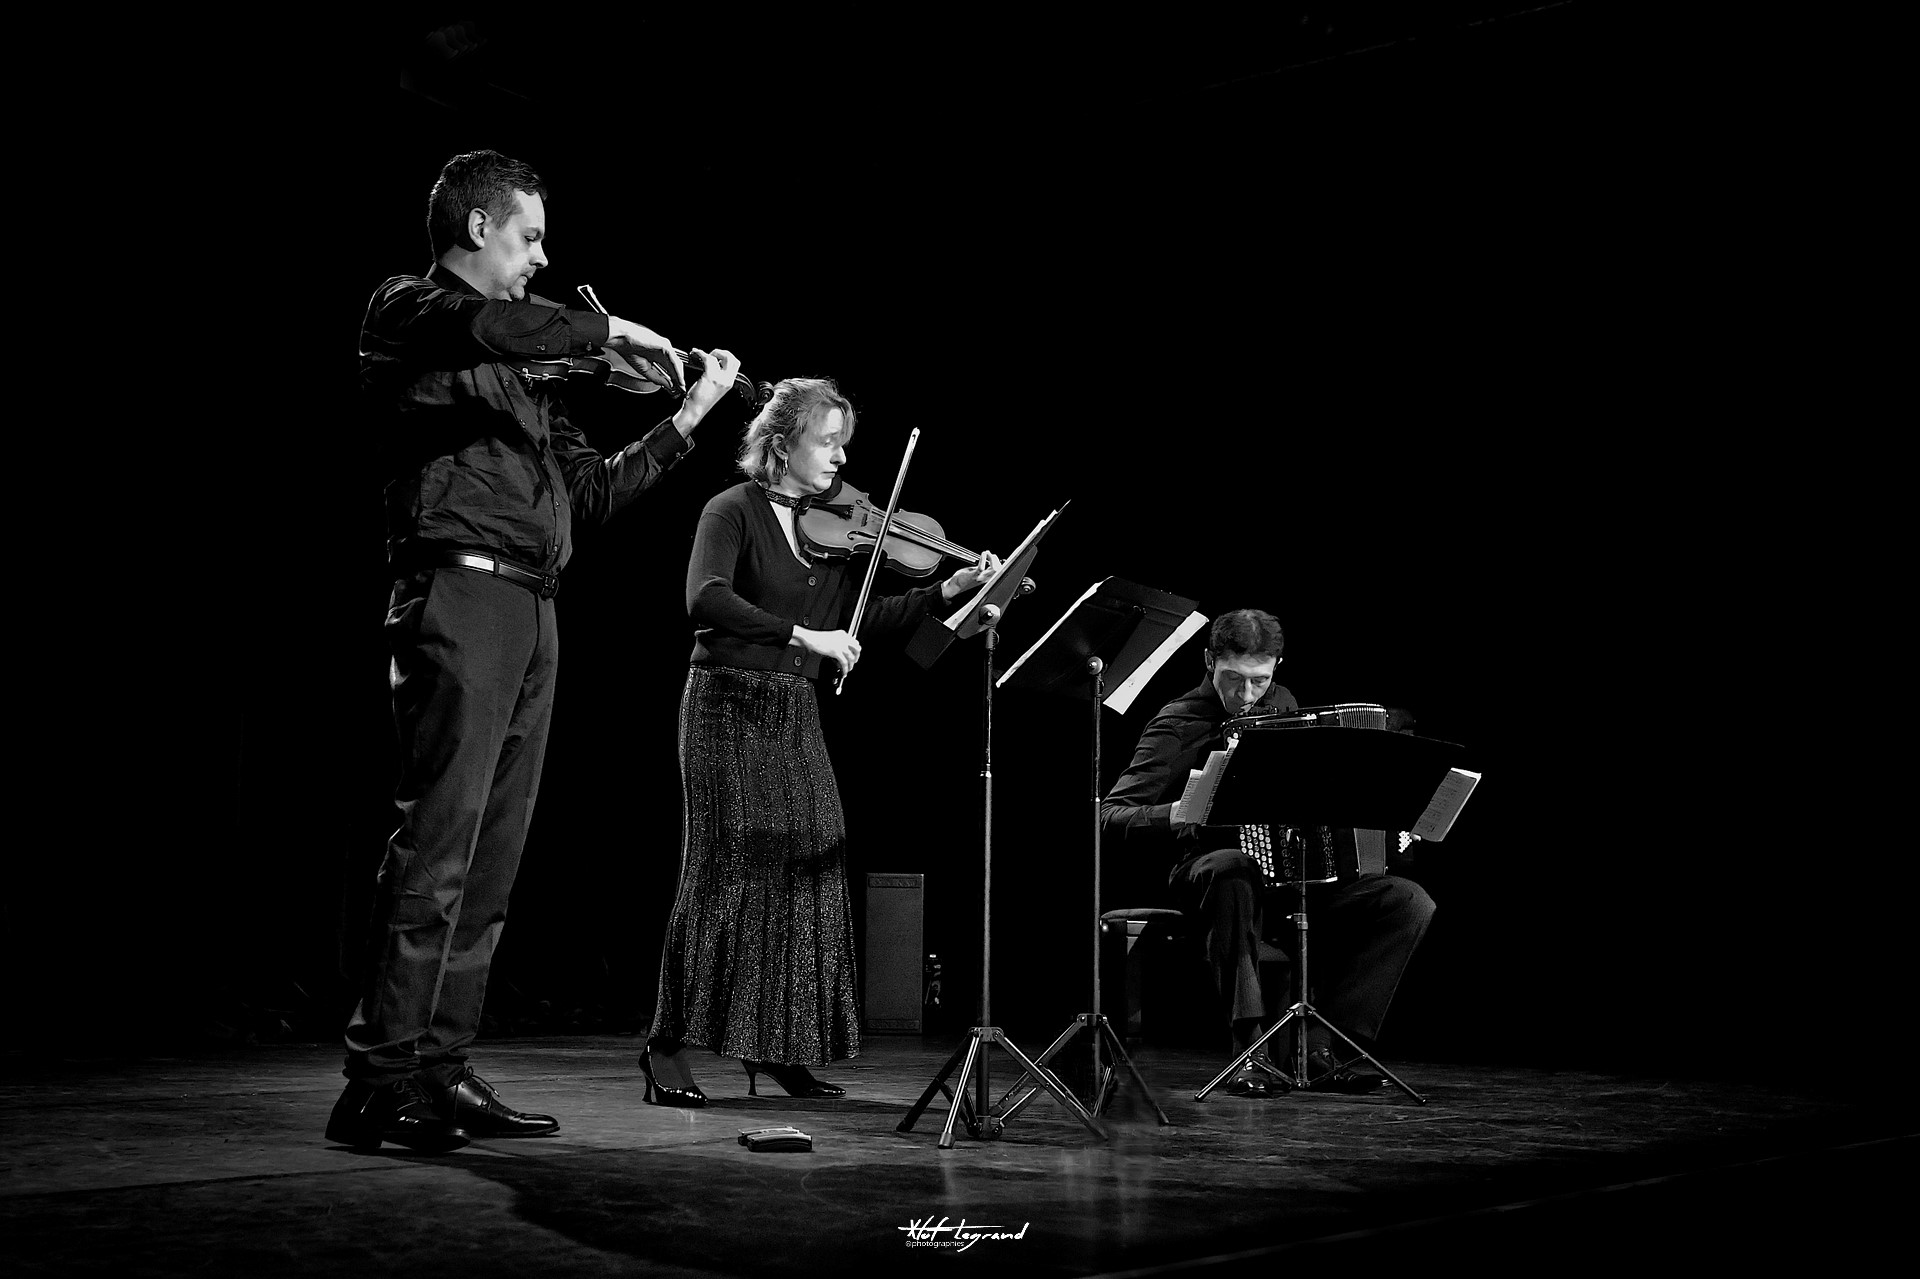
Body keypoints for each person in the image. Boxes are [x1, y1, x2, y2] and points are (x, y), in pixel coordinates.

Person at [327, 150, 743, 1152]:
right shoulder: (406, 309)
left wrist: (683, 416)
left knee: (494, 859)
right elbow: (495, 320)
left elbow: (590, 494)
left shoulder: (526, 377)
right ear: (478, 229)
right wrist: (615, 331)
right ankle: (377, 1078)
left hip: (531, 605)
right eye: (530, 239)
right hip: (456, 592)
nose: (540, 260)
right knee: (437, 844)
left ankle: (441, 1063)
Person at [640, 378, 1001, 1105]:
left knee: (814, 852)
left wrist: (946, 593)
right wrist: (802, 634)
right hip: (726, 703)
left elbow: (866, 620)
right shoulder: (730, 510)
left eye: (844, 442)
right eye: (827, 441)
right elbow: (704, 597)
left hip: (793, 708)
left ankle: (779, 1043)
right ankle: (665, 1045)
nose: (840, 458)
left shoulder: (829, 533)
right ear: (781, 442)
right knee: (726, 867)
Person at [1098, 609, 1435, 1097]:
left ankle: (1326, 1045)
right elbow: (1112, 814)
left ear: (1277, 666)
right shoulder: (1177, 722)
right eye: (1233, 680)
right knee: (1233, 866)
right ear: (1209, 660)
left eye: (1260, 680)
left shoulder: (1288, 707)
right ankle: (1248, 1048)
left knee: (1406, 901)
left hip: (1292, 879)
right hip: (1210, 876)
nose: (1247, 695)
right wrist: (1174, 813)